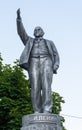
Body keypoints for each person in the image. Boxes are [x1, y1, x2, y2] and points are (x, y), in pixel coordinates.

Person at [16, 8, 60, 113]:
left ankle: (47, 109)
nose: (37, 31)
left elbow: (56, 55)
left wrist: (56, 65)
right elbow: (21, 33)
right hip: (33, 62)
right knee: (35, 86)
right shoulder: (29, 41)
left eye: (39, 29)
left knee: (46, 85)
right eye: (35, 30)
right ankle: (37, 110)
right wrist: (18, 19)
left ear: (43, 32)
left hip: (47, 61)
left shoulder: (49, 42)